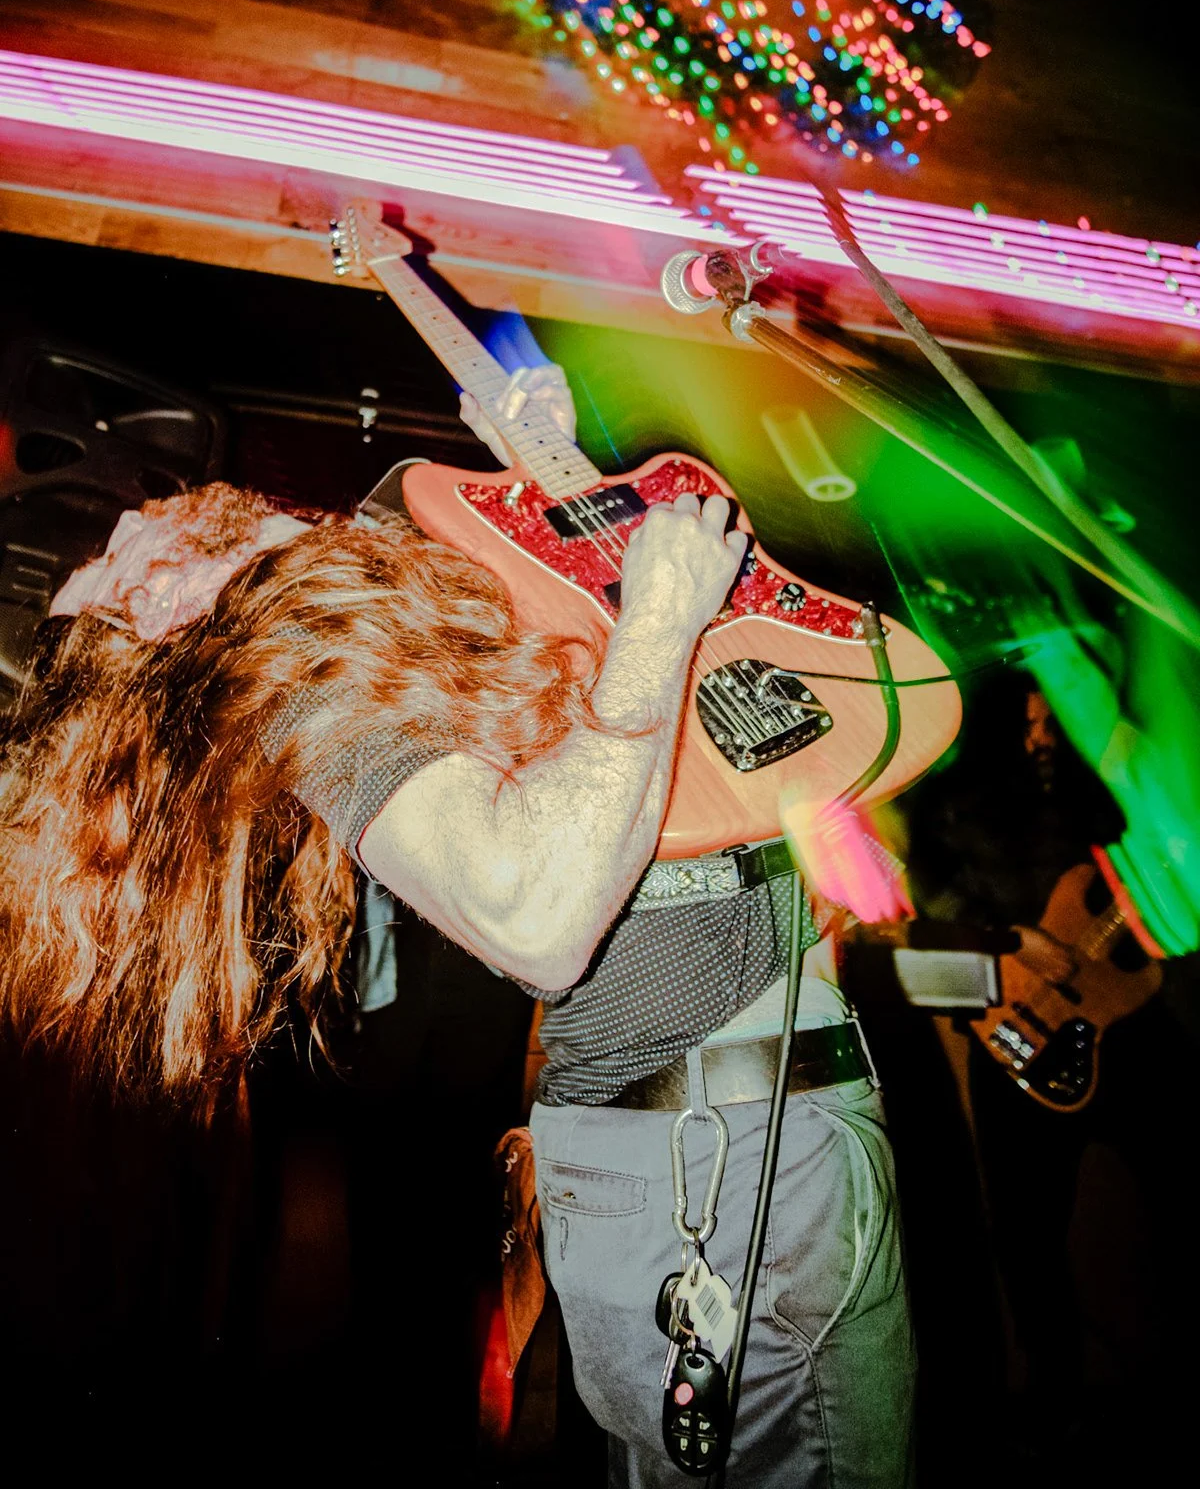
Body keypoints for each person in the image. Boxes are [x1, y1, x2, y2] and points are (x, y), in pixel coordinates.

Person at [0, 368, 915, 1487]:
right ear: (154, 614)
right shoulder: (301, 683)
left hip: (714, 1143)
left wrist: (538, 485)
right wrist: (663, 621)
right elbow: (530, 919)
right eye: (108, 563)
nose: (132, 516)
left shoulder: (355, 621)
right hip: (717, 1162)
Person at [903, 667, 1200, 1484]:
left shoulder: (1094, 786)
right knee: (1027, 1241)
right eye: (1028, 722)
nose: (1042, 733)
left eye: (1050, 719)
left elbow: (1159, 873)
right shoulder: (948, 801)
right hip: (1017, 1036)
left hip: (1126, 1022)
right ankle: (1056, 1404)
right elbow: (925, 915)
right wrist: (1016, 942)